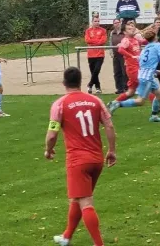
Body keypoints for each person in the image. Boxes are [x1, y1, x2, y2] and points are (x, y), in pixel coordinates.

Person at [45, 67, 116, 246]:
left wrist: (48, 149)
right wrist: (112, 150)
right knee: (78, 197)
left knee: (85, 201)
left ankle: (98, 244)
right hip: (96, 159)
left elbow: (52, 133)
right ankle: (66, 237)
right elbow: (109, 126)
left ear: (64, 83)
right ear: (80, 81)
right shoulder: (95, 100)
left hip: (77, 161)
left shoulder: (60, 104)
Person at [108, 27, 160, 122]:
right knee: (140, 100)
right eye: (129, 28)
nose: (132, 30)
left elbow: (143, 61)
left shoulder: (141, 45)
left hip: (143, 72)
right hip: (140, 73)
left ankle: (154, 115)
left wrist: (156, 71)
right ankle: (118, 104)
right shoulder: (128, 40)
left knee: (156, 94)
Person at [84, 15, 107, 94]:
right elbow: (87, 40)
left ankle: (90, 84)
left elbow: (103, 41)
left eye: (98, 21)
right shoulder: (88, 31)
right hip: (91, 54)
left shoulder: (103, 30)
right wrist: (96, 42)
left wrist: (94, 42)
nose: (97, 23)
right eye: (95, 21)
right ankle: (98, 87)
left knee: (97, 70)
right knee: (93, 72)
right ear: (92, 22)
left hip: (100, 54)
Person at [109, 19, 127, 93]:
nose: (117, 24)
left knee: (124, 71)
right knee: (117, 72)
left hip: (124, 55)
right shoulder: (112, 33)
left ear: (120, 23)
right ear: (113, 24)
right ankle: (119, 88)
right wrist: (111, 52)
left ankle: (126, 87)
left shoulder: (124, 32)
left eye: (118, 22)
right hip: (116, 55)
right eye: (115, 23)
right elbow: (110, 43)